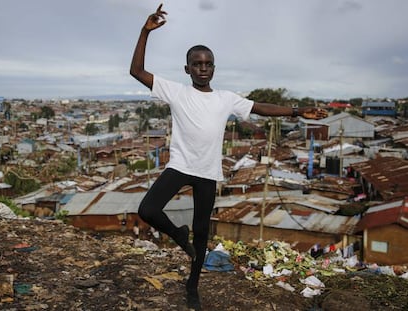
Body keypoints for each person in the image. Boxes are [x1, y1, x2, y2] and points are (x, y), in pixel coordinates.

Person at [130, 4, 327, 310]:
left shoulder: (226, 99)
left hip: (208, 172)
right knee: (148, 209)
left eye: (208, 63)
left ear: (214, 68)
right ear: (187, 69)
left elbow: (261, 107)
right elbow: (137, 71)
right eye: (196, 64)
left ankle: (192, 288)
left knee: (203, 233)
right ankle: (178, 236)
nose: (203, 68)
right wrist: (145, 32)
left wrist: (299, 112)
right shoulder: (176, 92)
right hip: (180, 167)